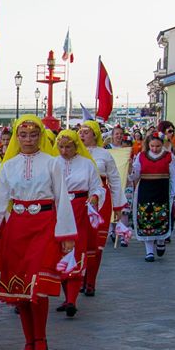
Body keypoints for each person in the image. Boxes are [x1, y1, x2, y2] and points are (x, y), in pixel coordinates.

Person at [0, 115, 75, 350]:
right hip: (17, 228)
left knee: (38, 286)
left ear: (40, 137)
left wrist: (65, 234)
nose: (28, 140)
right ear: (16, 138)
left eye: (33, 135)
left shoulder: (52, 163)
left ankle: (41, 339)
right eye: (23, 135)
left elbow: (62, 198)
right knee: (19, 288)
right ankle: (28, 340)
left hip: (43, 226)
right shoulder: (9, 166)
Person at [53, 130, 103, 316]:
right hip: (58, 210)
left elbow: (97, 186)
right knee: (60, 252)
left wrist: (95, 196)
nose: (64, 150)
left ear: (76, 147)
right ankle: (67, 298)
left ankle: (72, 299)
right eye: (61, 147)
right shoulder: (53, 163)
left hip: (79, 209)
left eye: (68, 147)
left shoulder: (87, 164)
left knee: (77, 249)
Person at [78, 121, 125, 296]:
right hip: (80, 199)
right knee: (80, 241)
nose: (82, 135)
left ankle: (91, 281)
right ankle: (79, 277)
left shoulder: (104, 154)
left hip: (101, 200)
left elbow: (114, 179)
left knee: (96, 242)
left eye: (86, 132)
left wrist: (119, 205)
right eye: (80, 132)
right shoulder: (73, 154)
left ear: (95, 135)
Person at [131, 131, 175, 261]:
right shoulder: (141, 156)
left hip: (162, 191)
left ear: (162, 144)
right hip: (145, 191)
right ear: (148, 144)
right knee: (146, 219)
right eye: (152, 146)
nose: (154, 149)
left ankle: (160, 241)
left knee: (161, 218)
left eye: (158, 146)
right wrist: (130, 169)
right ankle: (149, 252)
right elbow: (136, 173)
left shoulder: (168, 156)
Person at [108, 125, 133, 242]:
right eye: (116, 133)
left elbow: (131, 168)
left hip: (124, 180)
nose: (118, 136)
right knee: (113, 207)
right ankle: (113, 230)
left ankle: (124, 234)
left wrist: (129, 163)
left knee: (124, 209)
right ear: (112, 135)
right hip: (111, 182)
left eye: (120, 134)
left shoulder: (126, 149)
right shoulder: (106, 149)